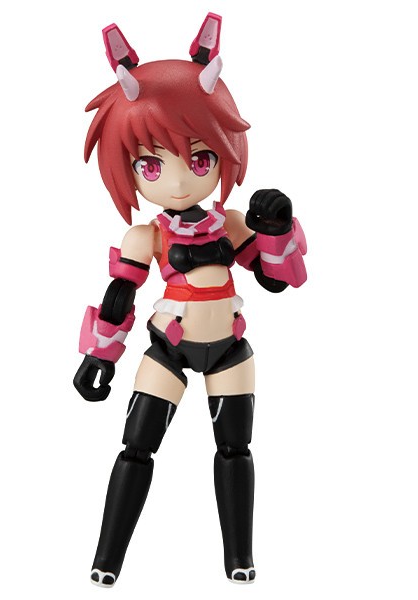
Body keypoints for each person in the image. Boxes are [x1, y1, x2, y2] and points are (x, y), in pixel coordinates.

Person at [73, 13, 308, 587]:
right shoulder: (147, 236)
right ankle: (107, 561)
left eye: (199, 159)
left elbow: (277, 280)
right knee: (135, 450)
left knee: (235, 451)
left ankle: (239, 559)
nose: (177, 182)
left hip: (229, 349)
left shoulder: (231, 223)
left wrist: (276, 228)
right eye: (152, 165)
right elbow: (119, 296)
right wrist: (99, 357)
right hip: (168, 349)